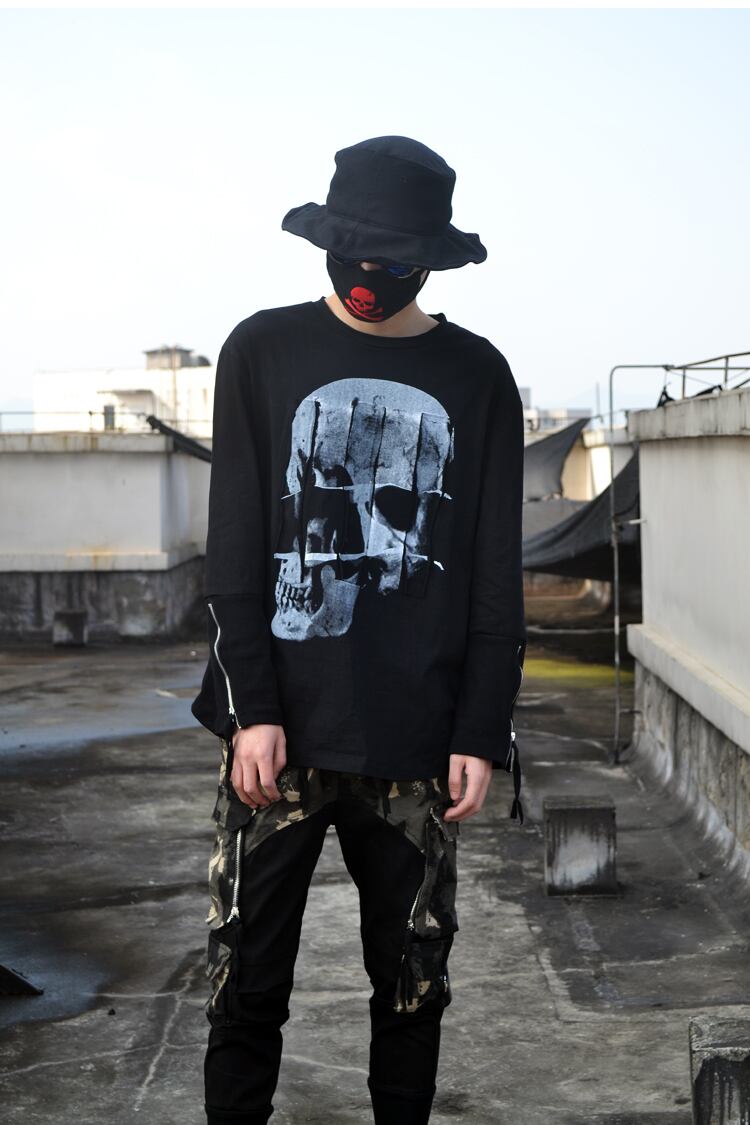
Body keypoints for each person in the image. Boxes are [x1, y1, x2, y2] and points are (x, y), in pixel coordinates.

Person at [191, 134, 527, 1125]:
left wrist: (480, 729)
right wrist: (253, 709)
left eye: (394, 260)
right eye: (356, 255)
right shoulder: (262, 352)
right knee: (243, 987)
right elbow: (235, 549)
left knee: (413, 991)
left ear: (431, 258)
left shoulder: (478, 376)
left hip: (417, 743)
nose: (370, 278)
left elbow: (493, 574)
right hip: (276, 745)